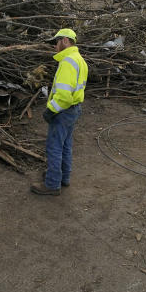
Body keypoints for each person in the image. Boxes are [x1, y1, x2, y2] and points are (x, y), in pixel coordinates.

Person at [31, 28, 88, 196]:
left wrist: (50, 110)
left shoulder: (68, 62)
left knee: (54, 147)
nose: (55, 46)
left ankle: (52, 184)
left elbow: (64, 96)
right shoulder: (79, 60)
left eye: (56, 42)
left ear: (65, 41)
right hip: (74, 110)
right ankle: (63, 178)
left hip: (63, 111)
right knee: (66, 145)